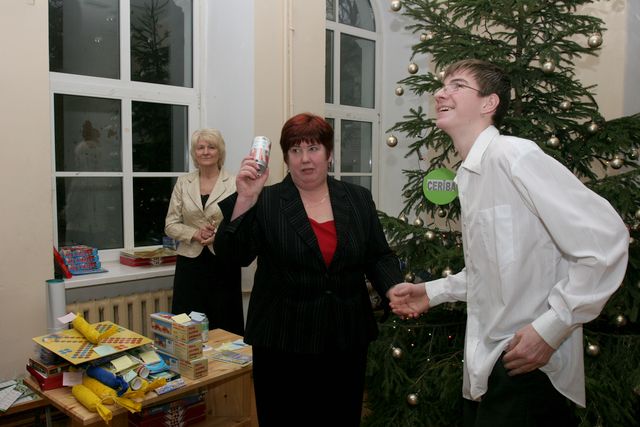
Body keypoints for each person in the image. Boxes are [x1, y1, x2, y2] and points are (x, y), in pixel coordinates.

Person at [388, 59, 629, 426]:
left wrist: (551, 329)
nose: (440, 94)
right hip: (488, 367)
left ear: (489, 103)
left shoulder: (514, 156)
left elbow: (606, 239)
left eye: (456, 85)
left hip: (528, 366)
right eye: (442, 86)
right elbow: (494, 270)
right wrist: (431, 292)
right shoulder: (468, 177)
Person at [213, 113, 404, 426]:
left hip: (345, 339)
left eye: (313, 148)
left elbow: (378, 255)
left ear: (329, 154)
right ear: (285, 158)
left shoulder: (357, 198)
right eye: (295, 150)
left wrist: (394, 288)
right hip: (283, 343)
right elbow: (231, 255)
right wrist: (246, 197)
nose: (305, 159)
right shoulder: (266, 201)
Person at [165, 128, 244, 336]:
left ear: (220, 151)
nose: (206, 152)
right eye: (200, 148)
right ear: (194, 153)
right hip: (190, 264)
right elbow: (170, 224)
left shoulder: (236, 183)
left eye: (211, 147)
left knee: (225, 324)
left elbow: (241, 226)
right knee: (187, 327)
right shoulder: (183, 183)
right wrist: (194, 233)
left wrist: (218, 236)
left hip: (224, 262)